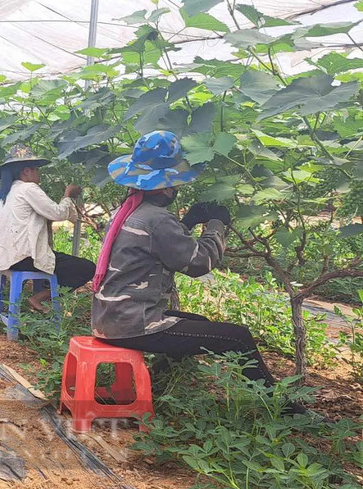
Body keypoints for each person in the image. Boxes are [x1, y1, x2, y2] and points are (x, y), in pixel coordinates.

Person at [90, 131, 302, 413]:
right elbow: (199, 263)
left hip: (110, 317)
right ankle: (281, 407)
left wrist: (186, 223)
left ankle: (160, 386)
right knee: (237, 337)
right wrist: (216, 225)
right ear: (167, 187)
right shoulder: (156, 219)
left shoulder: (127, 211)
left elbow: (159, 248)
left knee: (196, 323)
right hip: (133, 325)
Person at [0, 144, 95, 312]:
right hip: (24, 257)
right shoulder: (28, 188)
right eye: (36, 170)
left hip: (7, 257)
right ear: (26, 171)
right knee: (86, 267)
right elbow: (57, 213)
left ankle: (40, 300)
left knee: (57, 263)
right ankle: (39, 298)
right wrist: (68, 195)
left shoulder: (8, 194)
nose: (39, 174)